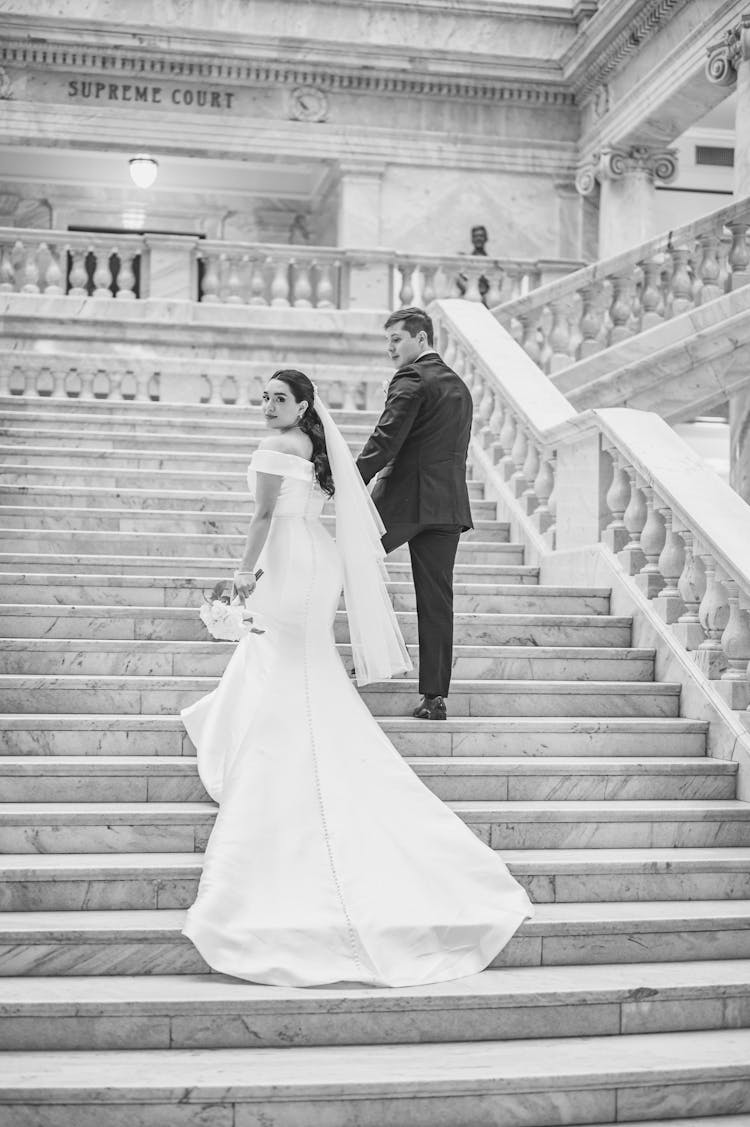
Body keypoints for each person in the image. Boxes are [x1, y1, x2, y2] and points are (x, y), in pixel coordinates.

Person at [180, 368, 533, 988]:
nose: (268, 407)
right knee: (300, 660)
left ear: (303, 404)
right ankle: (250, 724)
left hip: (287, 561)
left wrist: (240, 577)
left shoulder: (275, 447)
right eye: (264, 398)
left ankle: (260, 743)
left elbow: (263, 517)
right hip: (320, 562)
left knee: (284, 659)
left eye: (279, 398)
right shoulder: (316, 448)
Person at [356, 307, 471, 721]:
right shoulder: (459, 385)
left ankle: (347, 658)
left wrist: (349, 483)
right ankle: (434, 697)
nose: (390, 349)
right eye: (388, 341)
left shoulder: (410, 378)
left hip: (405, 502)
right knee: (437, 602)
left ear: (421, 340)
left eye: (397, 340)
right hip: (448, 507)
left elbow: (385, 440)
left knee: (343, 563)